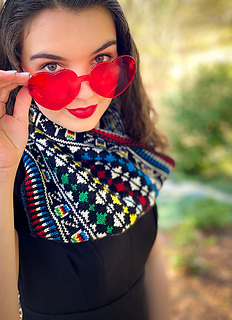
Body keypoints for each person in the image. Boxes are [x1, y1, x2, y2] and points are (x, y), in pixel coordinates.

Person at [0, 0, 174, 319]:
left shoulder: (122, 129)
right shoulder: (13, 167)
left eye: (101, 58)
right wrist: (2, 171)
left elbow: (150, 257)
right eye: (52, 67)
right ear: (16, 65)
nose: (86, 94)